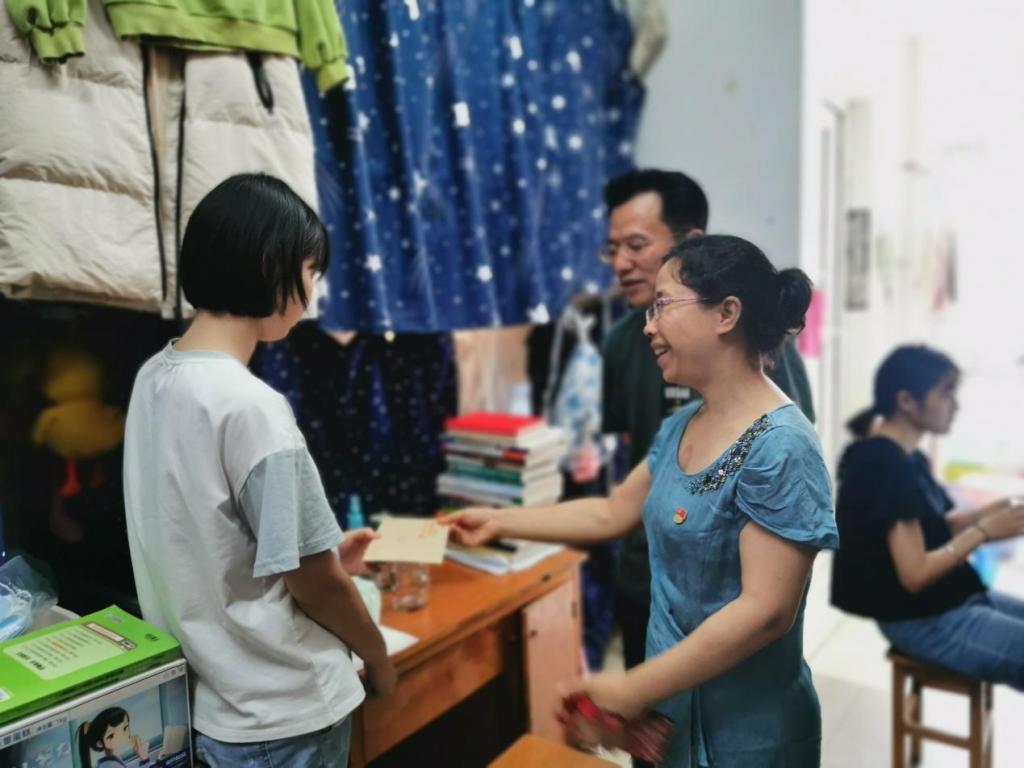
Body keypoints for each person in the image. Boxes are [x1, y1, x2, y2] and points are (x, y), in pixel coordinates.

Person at [445, 234, 838, 766]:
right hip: (670, 719)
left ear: (726, 313)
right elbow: (611, 512)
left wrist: (632, 688)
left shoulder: (782, 446)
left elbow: (766, 610)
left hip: (747, 736)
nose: (648, 326)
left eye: (663, 305)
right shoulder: (682, 425)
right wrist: (499, 521)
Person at [123, 174, 394, 768]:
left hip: (208, 706)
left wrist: (327, 553)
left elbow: (205, 538)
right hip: (284, 709)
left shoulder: (153, 379)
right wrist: (376, 654)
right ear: (273, 266)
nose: (312, 292)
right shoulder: (251, 406)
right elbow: (315, 583)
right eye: (311, 270)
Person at [600, 169, 816, 689]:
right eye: (612, 249)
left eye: (636, 245)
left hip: (725, 607)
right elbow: (627, 480)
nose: (621, 263)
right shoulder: (626, 349)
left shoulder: (772, 412)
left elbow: (767, 605)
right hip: (648, 582)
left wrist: (631, 691)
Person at [830, 345, 1024, 687]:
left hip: (946, 600)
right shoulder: (884, 465)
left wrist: (989, 513)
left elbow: (934, 528)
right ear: (906, 401)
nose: (955, 405)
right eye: (946, 394)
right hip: (921, 619)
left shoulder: (907, 458)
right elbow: (915, 574)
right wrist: (983, 532)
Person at [78, 708, 149, 767]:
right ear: (100, 743)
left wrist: (144, 759)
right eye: (111, 736)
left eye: (125, 728)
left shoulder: (108, 764)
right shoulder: (112, 765)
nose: (123, 736)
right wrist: (144, 758)